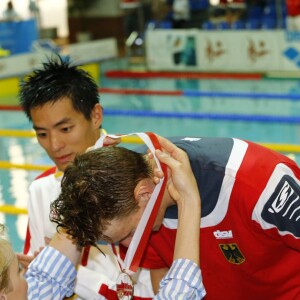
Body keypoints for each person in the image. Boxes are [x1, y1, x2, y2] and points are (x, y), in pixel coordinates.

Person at [51, 135, 300, 299]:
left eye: (128, 234)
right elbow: (165, 280)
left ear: (144, 194)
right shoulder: (118, 197)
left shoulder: (257, 184)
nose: (128, 246)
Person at [0, 136, 206, 299]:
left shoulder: (28, 294)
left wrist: (87, 189)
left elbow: (46, 278)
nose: (27, 275)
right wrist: (189, 202)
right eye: (19, 273)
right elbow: (179, 294)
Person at [18, 55, 154, 299]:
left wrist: (74, 276)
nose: (55, 145)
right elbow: (34, 277)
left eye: (65, 129)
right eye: (42, 134)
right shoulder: (40, 190)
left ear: (96, 116)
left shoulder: (142, 186)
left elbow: (159, 290)